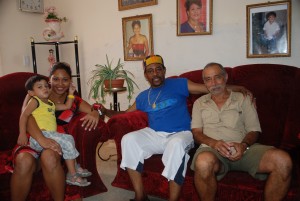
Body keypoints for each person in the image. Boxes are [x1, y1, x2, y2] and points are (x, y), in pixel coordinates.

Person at [98, 55, 252, 201]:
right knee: (128, 139)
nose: (155, 74)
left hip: (182, 133)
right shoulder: (143, 96)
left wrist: (237, 88)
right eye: (150, 71)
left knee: (176, 144)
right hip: (155, 134)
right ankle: (141, 196)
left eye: (159, 69)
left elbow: (209, 88)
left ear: (164, 70)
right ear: (146, 75)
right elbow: (124, 114)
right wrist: (105, 111)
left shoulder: (180, 84)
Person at [190, 62, 292, 201]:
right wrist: (215, 144)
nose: (213, 83)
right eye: (208, 79)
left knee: (283, 160)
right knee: (203, 162)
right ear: (204, 83)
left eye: (217, 77)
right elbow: (196, 133)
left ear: (225, 77)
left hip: (244, 149)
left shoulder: (243, 98)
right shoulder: (199, 103)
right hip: (212, 150)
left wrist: (243, 145)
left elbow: (254, 130)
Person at [10, 62, 101, 201]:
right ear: (49, 79)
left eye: (65, 79)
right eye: (55, 79)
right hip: (33, 138)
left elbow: (94, 110)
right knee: (23, 161)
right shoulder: (35, 94)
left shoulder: (73, 100)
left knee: (49, 157)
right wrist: (42, 140)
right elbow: (27, 118)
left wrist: (95, 113)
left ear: (70, 81)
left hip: (56, 141)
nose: (60, 84)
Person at [18, 75, 91, 187]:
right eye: (40, 87)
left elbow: (67, 106)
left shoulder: (51, 104)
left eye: (46, 86)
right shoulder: (35, 101)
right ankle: (72, 175)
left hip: (50, 135)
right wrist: (22, 133)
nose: (45, 88)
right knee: (67, 141)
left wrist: (71, 93)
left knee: (69, 139)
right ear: (32, 92)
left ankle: (74, 166)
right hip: (40, 136)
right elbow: (24, 116)